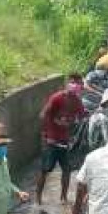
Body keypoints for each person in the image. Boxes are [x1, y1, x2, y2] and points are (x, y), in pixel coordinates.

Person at [36, 78, 85, 206]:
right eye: (73, 82)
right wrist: (46, 134)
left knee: (67, 170)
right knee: (45, 170)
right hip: (51, 141)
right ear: (68, 84)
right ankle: (38, 198)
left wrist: (72, 127)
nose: (75, 86)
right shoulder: (57, 98)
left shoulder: (77, 102)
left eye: (78, 84)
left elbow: (81, 118)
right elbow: (43, 115)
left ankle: (63, 197)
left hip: (65, 142)